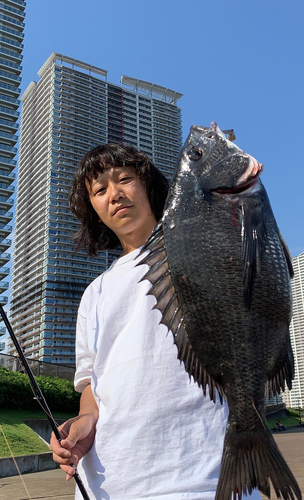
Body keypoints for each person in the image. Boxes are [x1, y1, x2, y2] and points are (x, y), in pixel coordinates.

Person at [50, 144, 261, 500]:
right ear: (94, 211)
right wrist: (86, 421)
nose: (114, 194)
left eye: (125, 180)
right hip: (110, 481)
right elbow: (91, 384)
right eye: (99, 190)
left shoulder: (201, 253)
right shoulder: (94, 293)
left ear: (148, 185)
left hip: (205, 475)